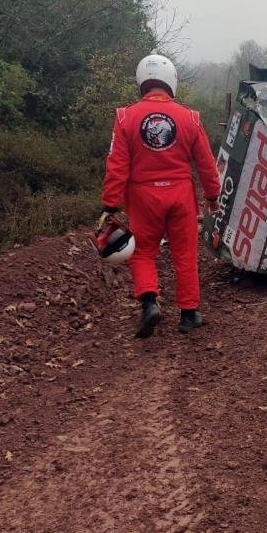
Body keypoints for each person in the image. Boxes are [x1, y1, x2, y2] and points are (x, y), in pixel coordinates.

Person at [97, 53, 221, 338]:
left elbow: (116, 163)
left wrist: (110, 203)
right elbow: (205, 162)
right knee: (185, 254)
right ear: (171, 82)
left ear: (142, 81)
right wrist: (212, 196)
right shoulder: (190, 118)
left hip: (143, 197)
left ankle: (150, 303)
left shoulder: (125, 117)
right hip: (180, 195)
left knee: (142, 252)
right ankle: (189, 315)